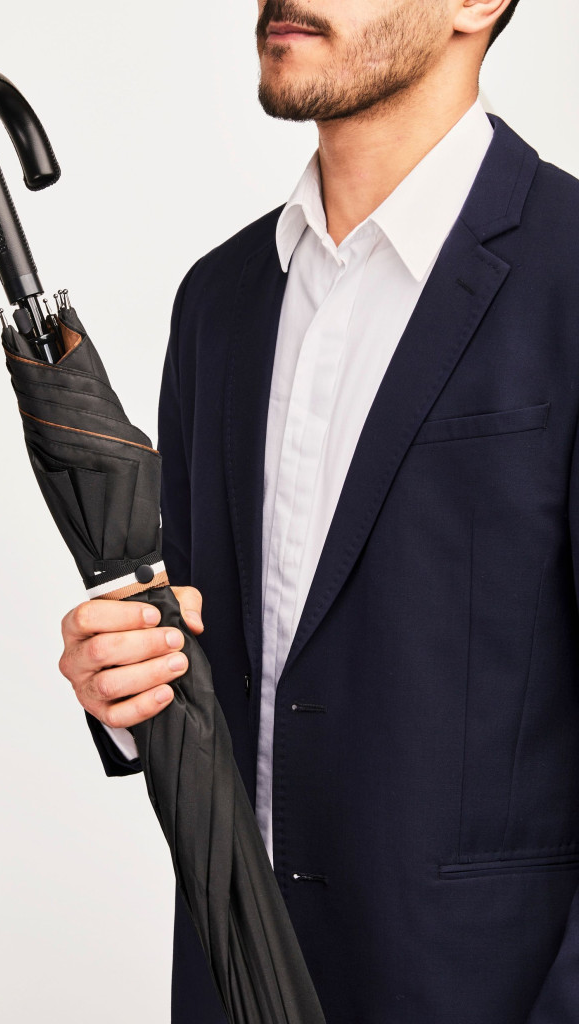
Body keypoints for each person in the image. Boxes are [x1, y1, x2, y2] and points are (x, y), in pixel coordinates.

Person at [58, 1, 579, 1021]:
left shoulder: (570, 273)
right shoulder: (217, 300)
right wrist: (125, 682)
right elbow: (207, 660)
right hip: (236, 986)